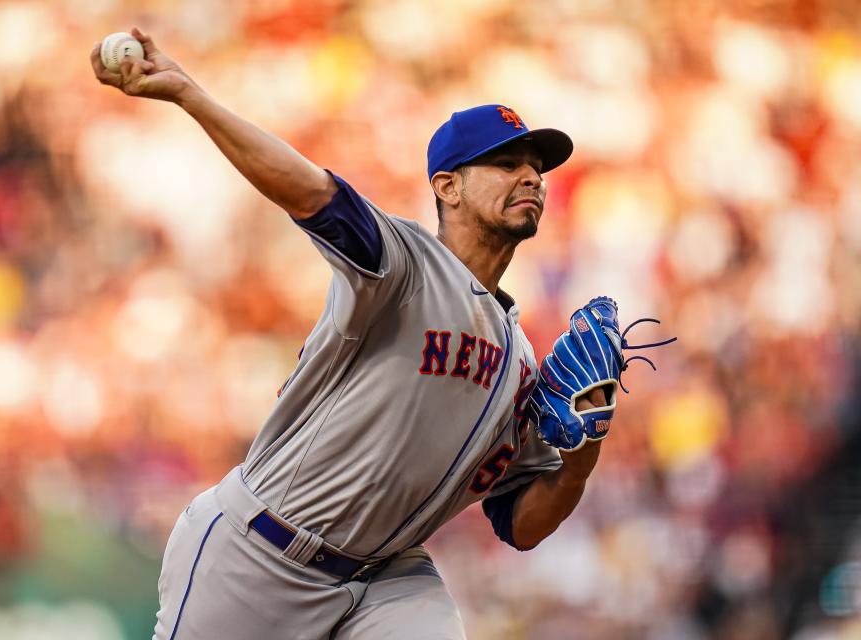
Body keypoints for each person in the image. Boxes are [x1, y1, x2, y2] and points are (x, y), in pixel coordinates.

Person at [92, 28, 610, 640]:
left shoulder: (522, 362)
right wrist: (189, 94)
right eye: (505, 163)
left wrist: (579, 464)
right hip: (261, 552)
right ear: (446, 186)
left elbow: (521, 524)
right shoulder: (406, 263)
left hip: (387, 578)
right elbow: (310, 192)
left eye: (536, 167)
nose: (530, 177)